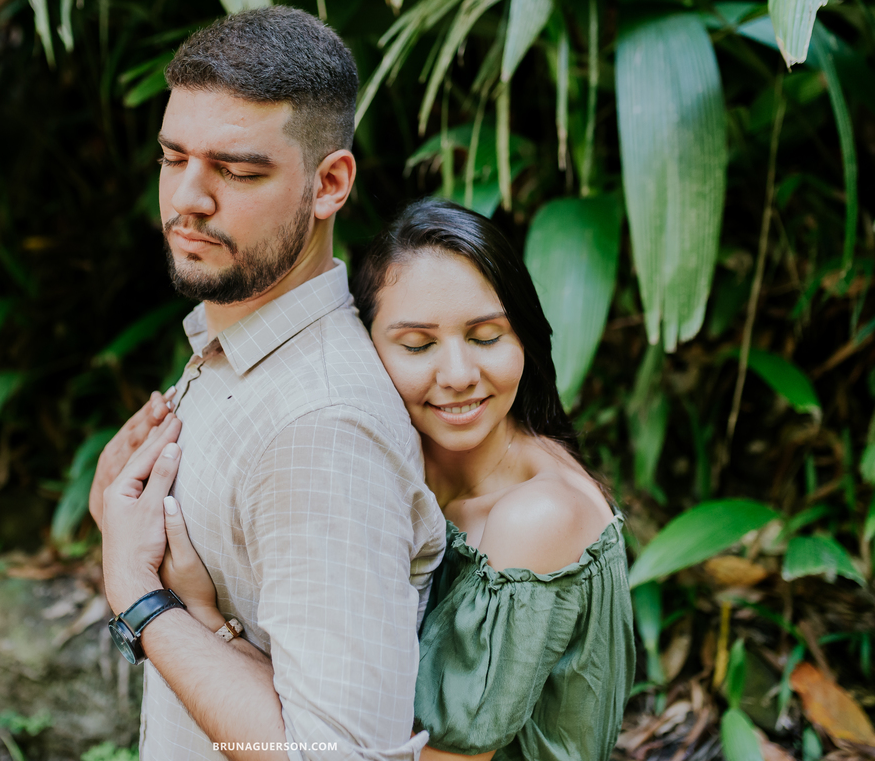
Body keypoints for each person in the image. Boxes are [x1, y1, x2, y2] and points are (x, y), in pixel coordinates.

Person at [88, 6, 447, 760]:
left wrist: (139, 597)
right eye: (173, 158)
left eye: (238, 171)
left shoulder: (321, 430)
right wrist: (128, 531)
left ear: (329, 184)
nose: (187, 200)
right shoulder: (233, 345)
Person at [155, 199, 635, 760]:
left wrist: (204, 619)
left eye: (487, 337)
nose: (458, 375)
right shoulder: (390, 460)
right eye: (418, 345)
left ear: (524, 337)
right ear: (365, 348)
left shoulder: (537, 518)